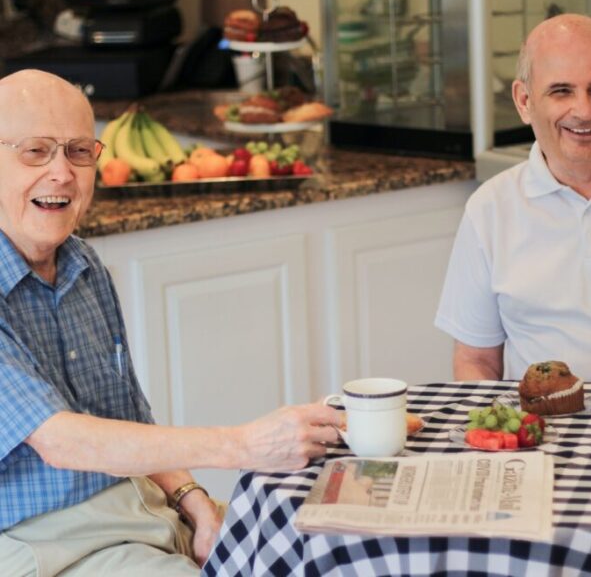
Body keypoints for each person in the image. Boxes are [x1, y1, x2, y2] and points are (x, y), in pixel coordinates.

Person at [0, 69, 342, 576]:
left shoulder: (84, 266)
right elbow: (60, 440)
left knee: (320, 546)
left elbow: (130, 424)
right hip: (44, 543)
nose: (62, 173)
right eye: (35, 151)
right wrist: (244, 445)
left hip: (139, 513)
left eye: (78, 152)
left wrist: (195, 501)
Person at [435, 13, 591, 383]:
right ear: (524, 101)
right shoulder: (490, 209)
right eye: (562, 91)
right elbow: (476, 360)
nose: (586, 109)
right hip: (540, 432)